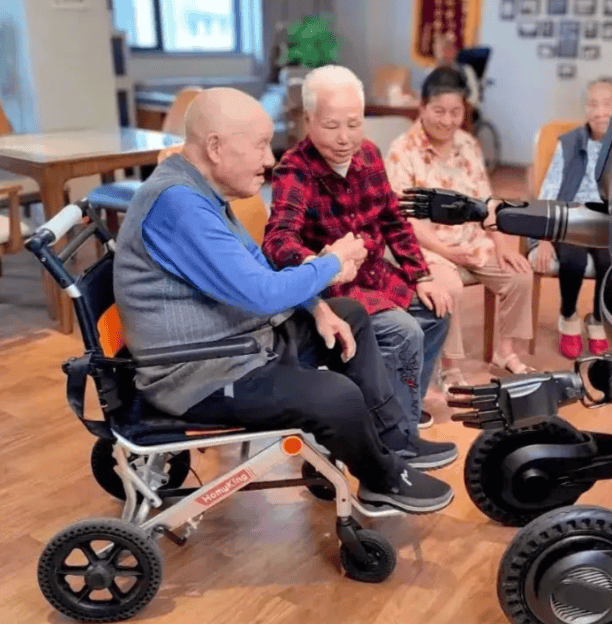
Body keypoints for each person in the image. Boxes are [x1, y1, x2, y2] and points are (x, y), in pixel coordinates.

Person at [112, 88, 453, 513]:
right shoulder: (181, 205)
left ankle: (392, 441)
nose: (268, 159)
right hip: (200, 374)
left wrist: (317, 307)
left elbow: (258, 266)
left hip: (235, 344)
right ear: (215, 148)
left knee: (348, 314)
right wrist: (331, 263)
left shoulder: (199, 190)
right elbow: (261, 294)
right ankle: (382, 479)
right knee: (336, 395)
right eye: (259, 146)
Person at [263, 65, 456, 439]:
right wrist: (317, 263)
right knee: (404, 331)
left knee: (437, 312)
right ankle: (395, 435)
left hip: (374, 278)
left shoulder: (369, 153)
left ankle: (398, 411)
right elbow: (277, 240)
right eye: (331, 126)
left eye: (353, 124)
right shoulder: (294, 169)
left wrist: (422, 276)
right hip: (333, 291)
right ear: (308, 120)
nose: (344, 138)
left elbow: (393, 219)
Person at [385, 66, 535, 390]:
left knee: (520, 275)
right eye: (439, 111)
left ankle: (504, 353)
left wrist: (502, 246)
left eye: (456, 112)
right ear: (422, 107)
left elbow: (487, 203)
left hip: (470, 240)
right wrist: (448, 252)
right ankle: (450, 367)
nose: (448, 120)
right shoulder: (402, 150)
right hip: (427, 246)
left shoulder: (468, 144)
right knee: (448, 287)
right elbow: (405, 221)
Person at [532, 77, 612, 359]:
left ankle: (598, 319)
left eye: (607, 104)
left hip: (607, 221)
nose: (600, 112)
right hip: (570, 217)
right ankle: (568, 315)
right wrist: (544, 238)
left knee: (610, 260)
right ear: (585, 109)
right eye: (593, 104)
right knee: (573, 258)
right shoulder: (570, 143)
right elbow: (549, 189)